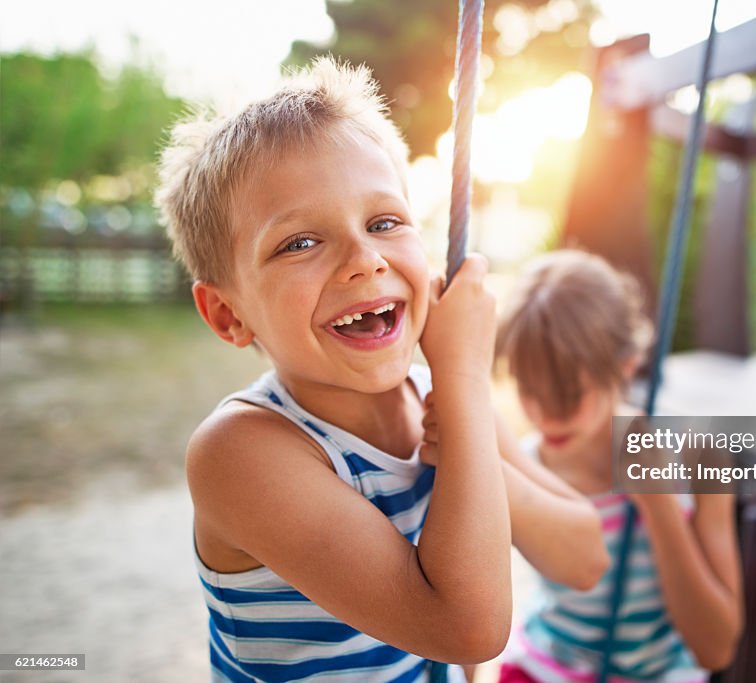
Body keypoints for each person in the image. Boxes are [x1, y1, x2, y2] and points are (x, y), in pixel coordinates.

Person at [155, 58, 608, 682]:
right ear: (229, 314)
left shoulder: (444, 401)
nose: (365, 259)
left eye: (385, 222)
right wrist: (467, 384)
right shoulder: (240, 452)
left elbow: (585, 558)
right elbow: (467, 629)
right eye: (299, 242)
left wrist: (470, 443)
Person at [495, 250, 744, 682]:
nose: (548, 414)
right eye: (530, 390)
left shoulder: (698, 455)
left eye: (570, 392)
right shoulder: (524, 469)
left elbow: (716, 648)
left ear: (625, 367)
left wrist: (659, 505)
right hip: (544, 668)